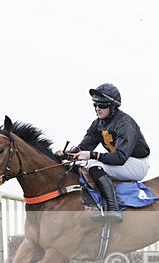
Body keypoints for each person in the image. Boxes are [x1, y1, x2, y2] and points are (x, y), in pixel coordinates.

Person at [58, 83, 151, 223]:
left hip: (135, 163)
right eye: (95, 104)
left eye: (101, 105)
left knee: (94, 165)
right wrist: (67, 154)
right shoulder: (98, 124)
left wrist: (92, 154)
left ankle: (113, 210)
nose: (97, 108)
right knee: (81, 164)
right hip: (121, 161)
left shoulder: (124, 123)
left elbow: (120, 158)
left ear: (112, 106)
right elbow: (83, 146)